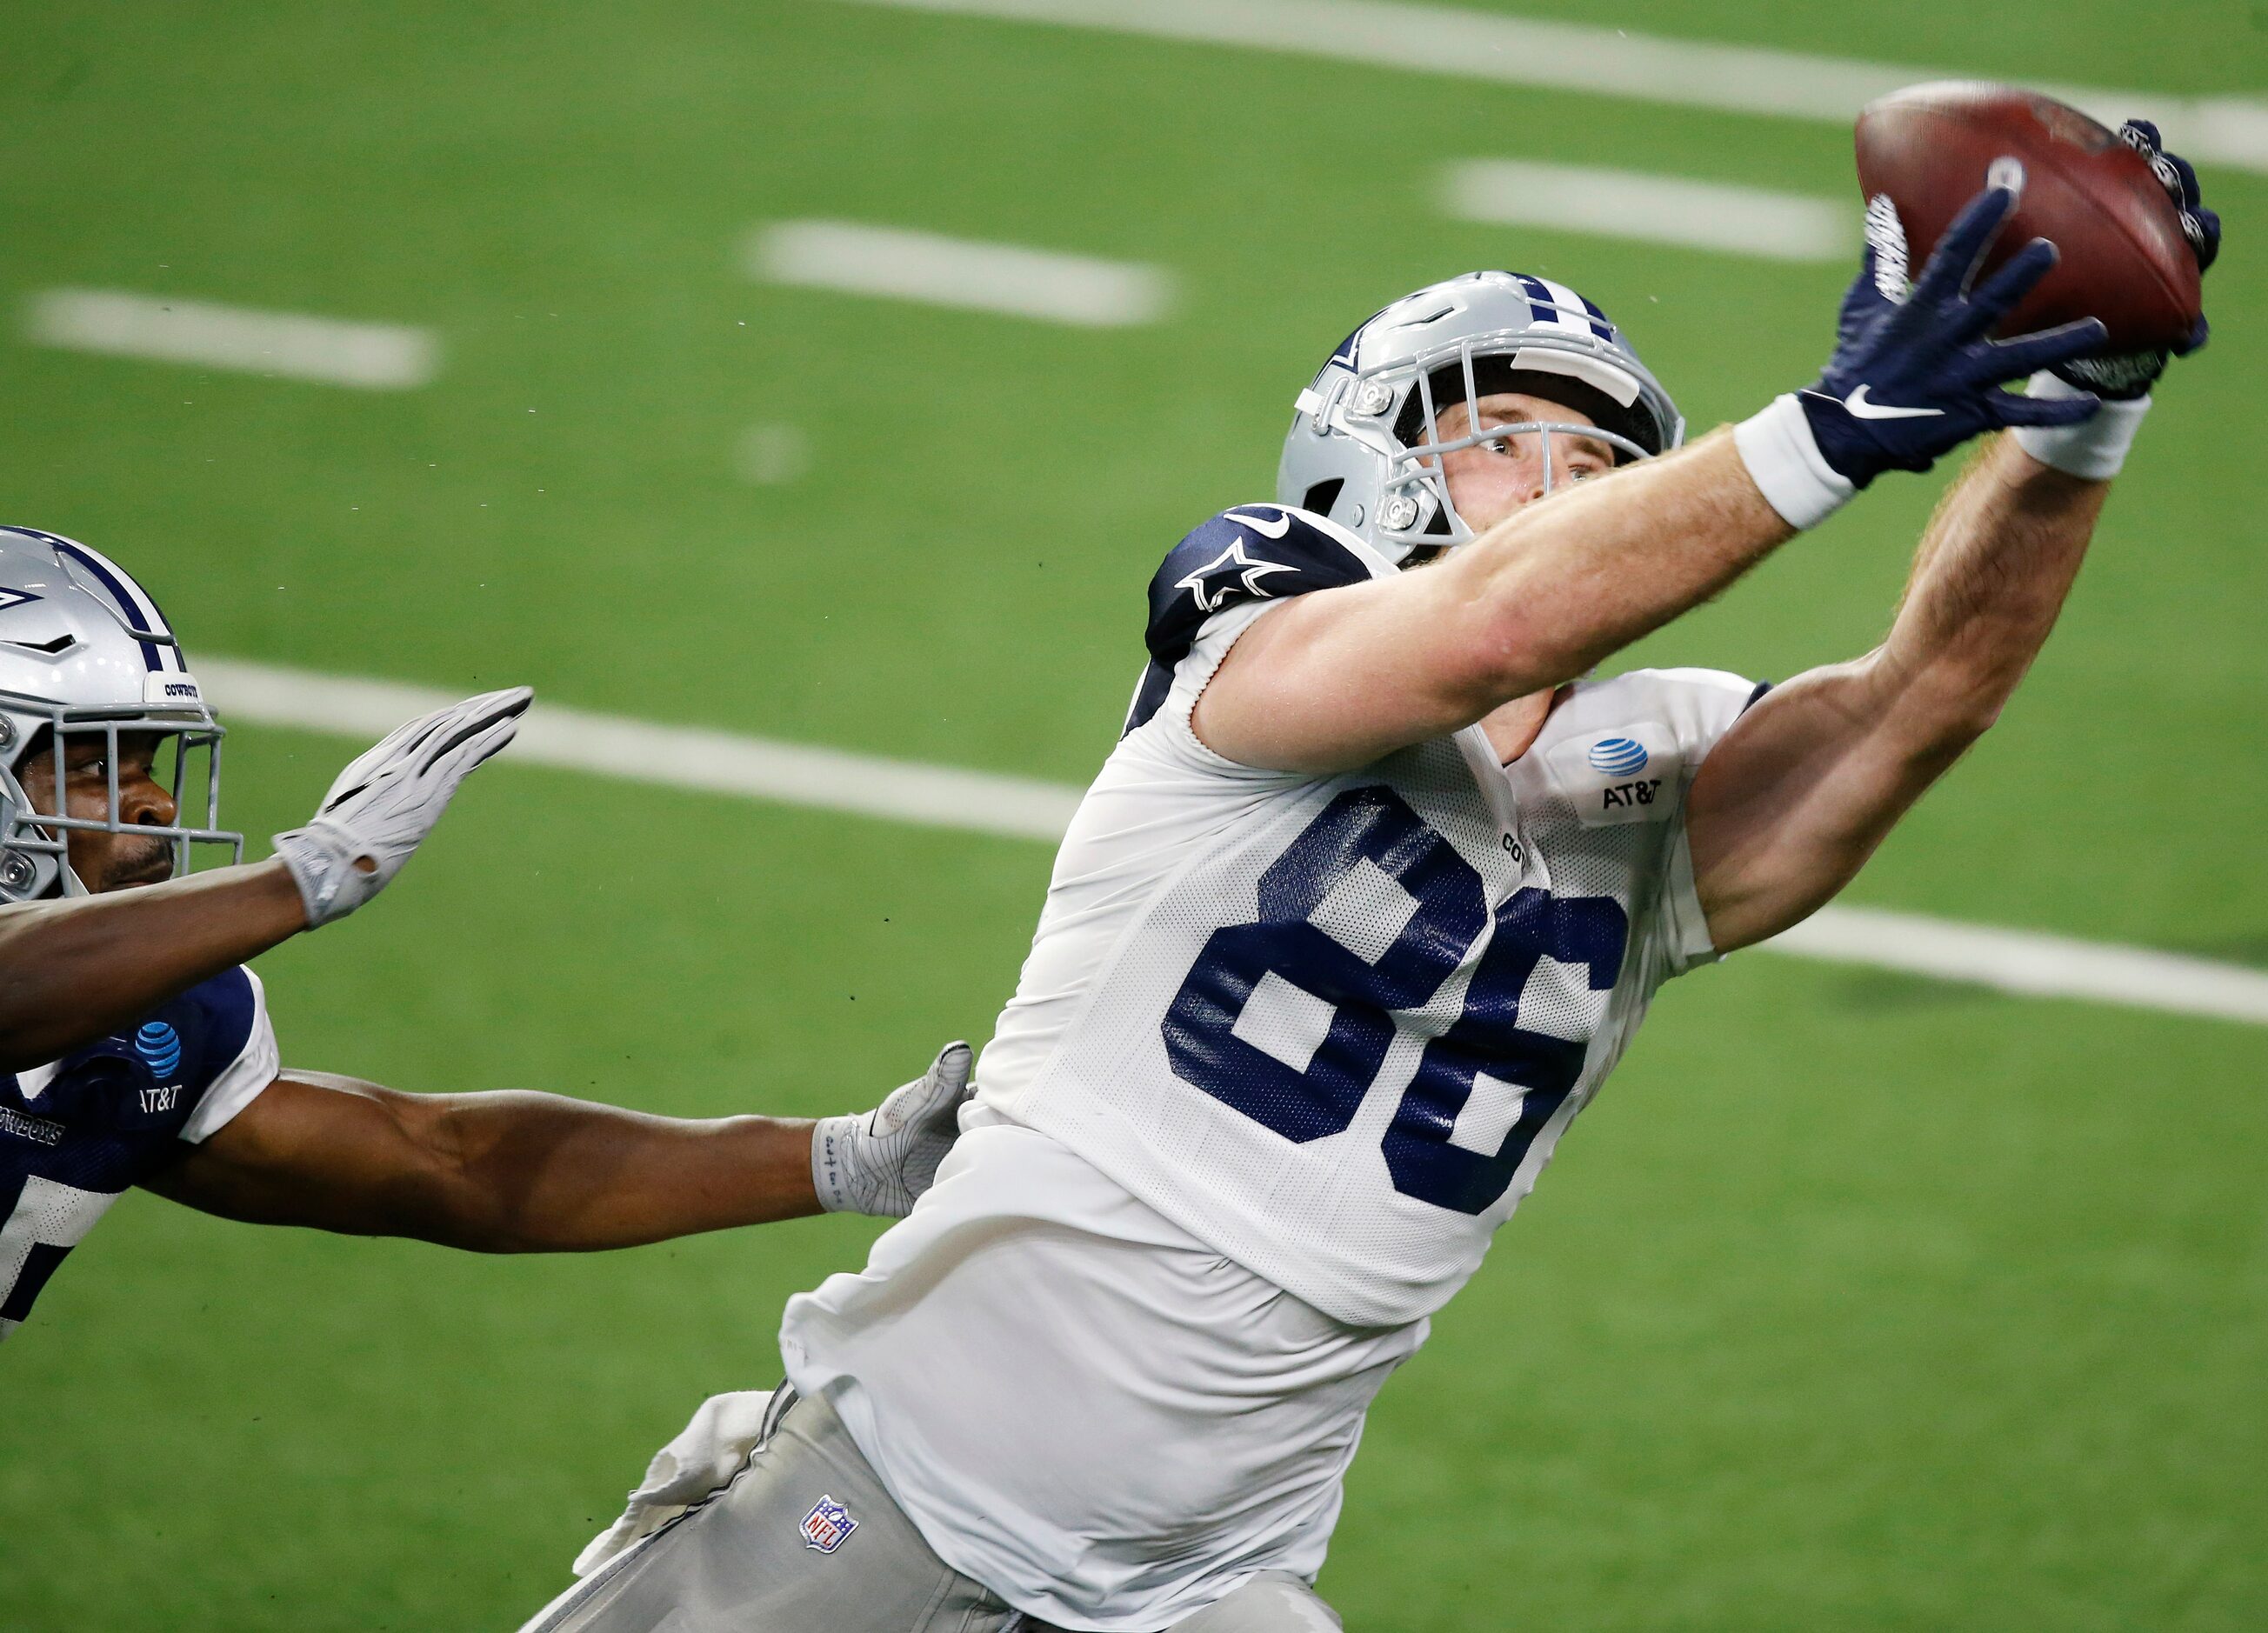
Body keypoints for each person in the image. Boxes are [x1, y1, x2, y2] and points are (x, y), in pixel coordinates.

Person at [524, 126, 2218, 1633]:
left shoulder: (1647, 778)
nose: (1558, 478)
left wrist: (2075, 423)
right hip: (891, 1500)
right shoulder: (1258, 624)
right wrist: (1821, 432)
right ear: (1365, 451)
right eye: (1500, 435)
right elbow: (1476, 629)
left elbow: (1918, 699)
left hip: (1205, 1587)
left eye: (1599, 459)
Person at [0, 523, 970, 1345]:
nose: (158, 802)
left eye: (150, 761)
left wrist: (844, 1158)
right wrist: (307, 878)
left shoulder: (161, 1024)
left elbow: (447, 1167)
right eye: (93, 767)